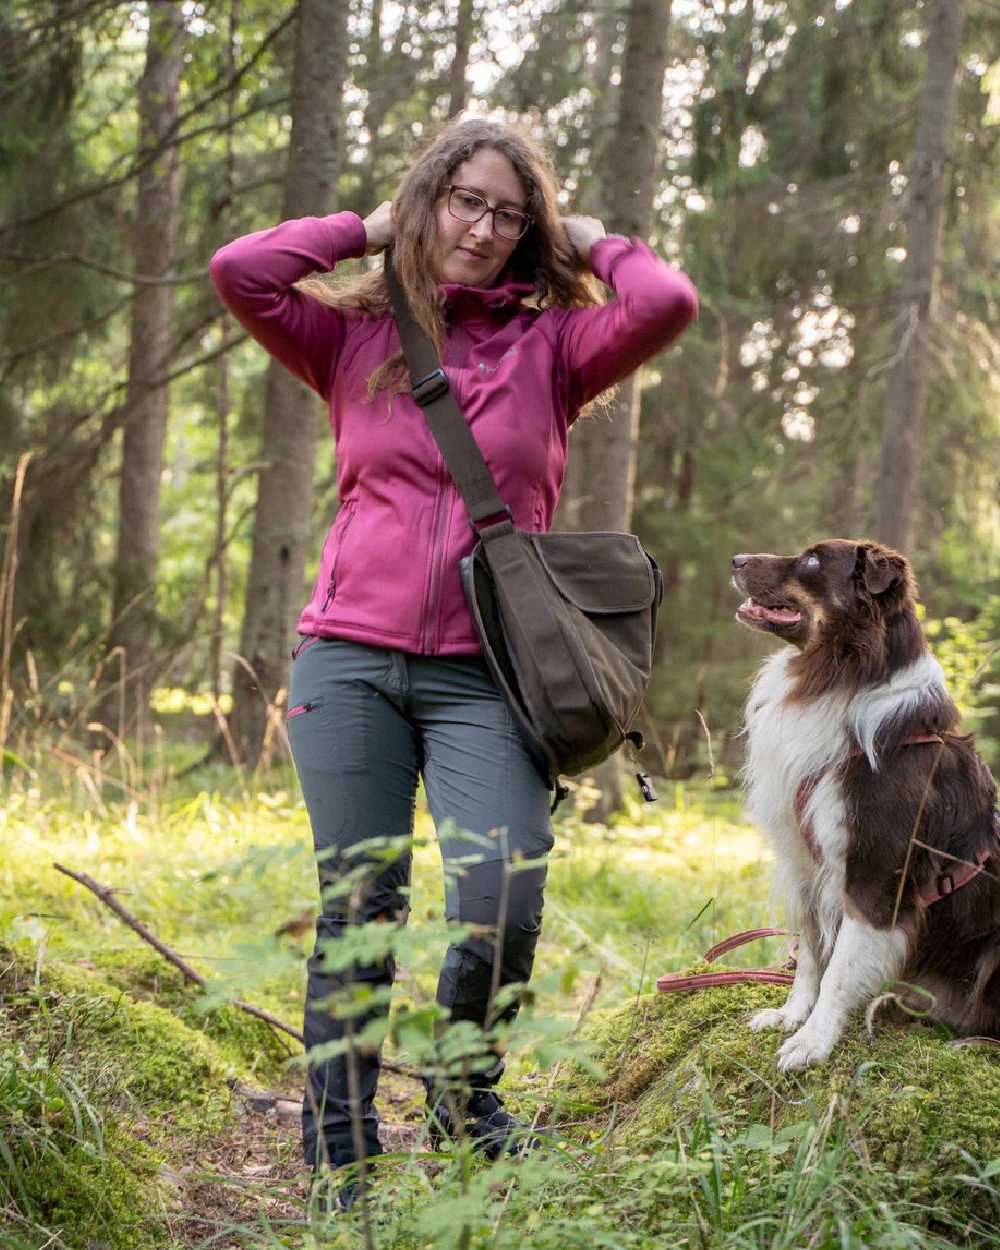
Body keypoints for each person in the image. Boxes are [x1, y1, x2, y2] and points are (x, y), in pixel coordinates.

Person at [209, 116, 698, 1203]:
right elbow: (240, 270)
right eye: (463, 201)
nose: (481, 227)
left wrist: (587, 239)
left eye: (507, 213)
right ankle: (339, 1148)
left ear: (532, 232)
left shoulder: (555, 348)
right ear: (430, 201)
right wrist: (366, 225)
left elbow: (664, 303)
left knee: (502, 890)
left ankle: (463, 1100)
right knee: (361, 901)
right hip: (347, 662)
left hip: (488, 672)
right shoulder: (349, 337)